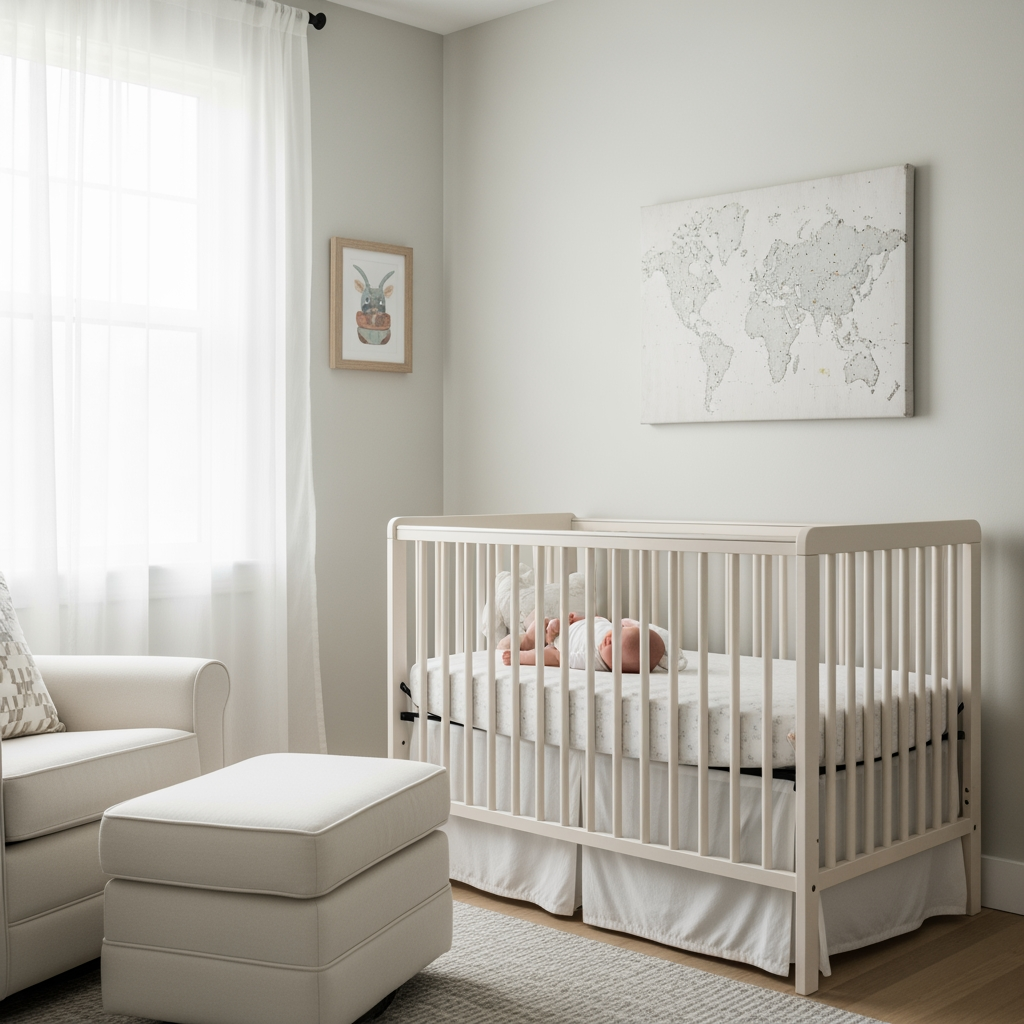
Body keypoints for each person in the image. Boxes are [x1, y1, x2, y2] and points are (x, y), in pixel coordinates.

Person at [498, 610, 666, 674]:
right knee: (546, 620)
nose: (609, 639)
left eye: (614, 647)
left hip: (557, 643)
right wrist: (578, 619)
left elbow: (556, 658)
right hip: (569, 627)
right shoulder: (610, 628)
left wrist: (521, 658)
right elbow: (598, 620)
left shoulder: (592, 658)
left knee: (540, 626)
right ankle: (539, 630)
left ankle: (526, 644)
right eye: (617, 633)